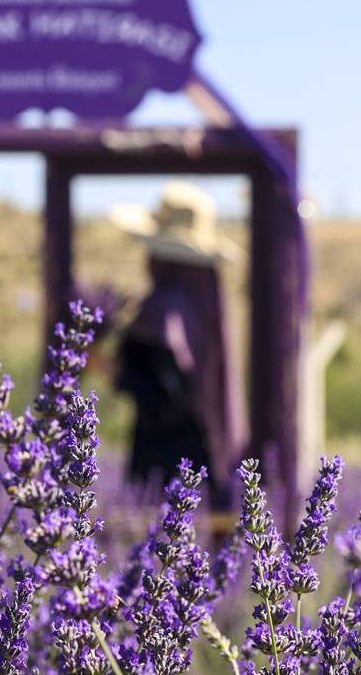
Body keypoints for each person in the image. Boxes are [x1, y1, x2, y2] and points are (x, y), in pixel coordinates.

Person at [110, 181, 245, 504]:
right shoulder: (197, 305)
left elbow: (164, 395)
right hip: (199, 450)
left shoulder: (164, 308)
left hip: (164, 457)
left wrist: (103, 367)